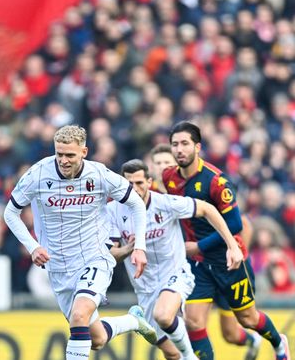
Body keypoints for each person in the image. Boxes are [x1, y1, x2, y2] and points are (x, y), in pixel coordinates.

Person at [3, 124, 156, 360]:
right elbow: (10, 213)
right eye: (59, 154)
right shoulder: (38, 174)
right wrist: (33, 246)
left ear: (84, 152)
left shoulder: (99, 174)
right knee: (96, 339)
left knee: (78, 316)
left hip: (94, 257)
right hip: (58, 266)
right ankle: (132, 320)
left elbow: (135, 203)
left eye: (70, 155)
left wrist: (140, 246)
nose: (63, 161)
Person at [164, 121, 291, 360]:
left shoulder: (216, 181)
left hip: (227, 260)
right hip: (198, 264)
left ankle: (278, 342)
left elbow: (235, 224)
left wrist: (198, 246)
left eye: (184, 144)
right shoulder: (169, 177)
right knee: (193, 322)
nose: (179, 149)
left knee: (248, 319)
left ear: (198, 147)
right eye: (174, 144)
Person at [108, 159, 244, 360]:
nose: (135, 189)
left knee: (163, 315)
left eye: (139, 183)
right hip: (144, 288)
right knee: (171, 354)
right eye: (129, 184)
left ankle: (191, 357)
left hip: (175, 274)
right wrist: (130, 247)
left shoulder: (164, 203)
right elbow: (111, 255)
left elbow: (207, 209)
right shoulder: (113, 212)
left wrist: (232, 245)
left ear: (149, 182)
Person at [150, 143, 263, 360]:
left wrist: (235, 251)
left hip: (222, 263)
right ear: (152, 168)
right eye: (158, 163)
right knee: (186, 321)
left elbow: (243, 224)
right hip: (191, 268)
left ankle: (253, 339)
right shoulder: (151, 196)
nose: (162, 167)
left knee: (230, 333)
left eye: (166, 162)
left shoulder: (195, 189)